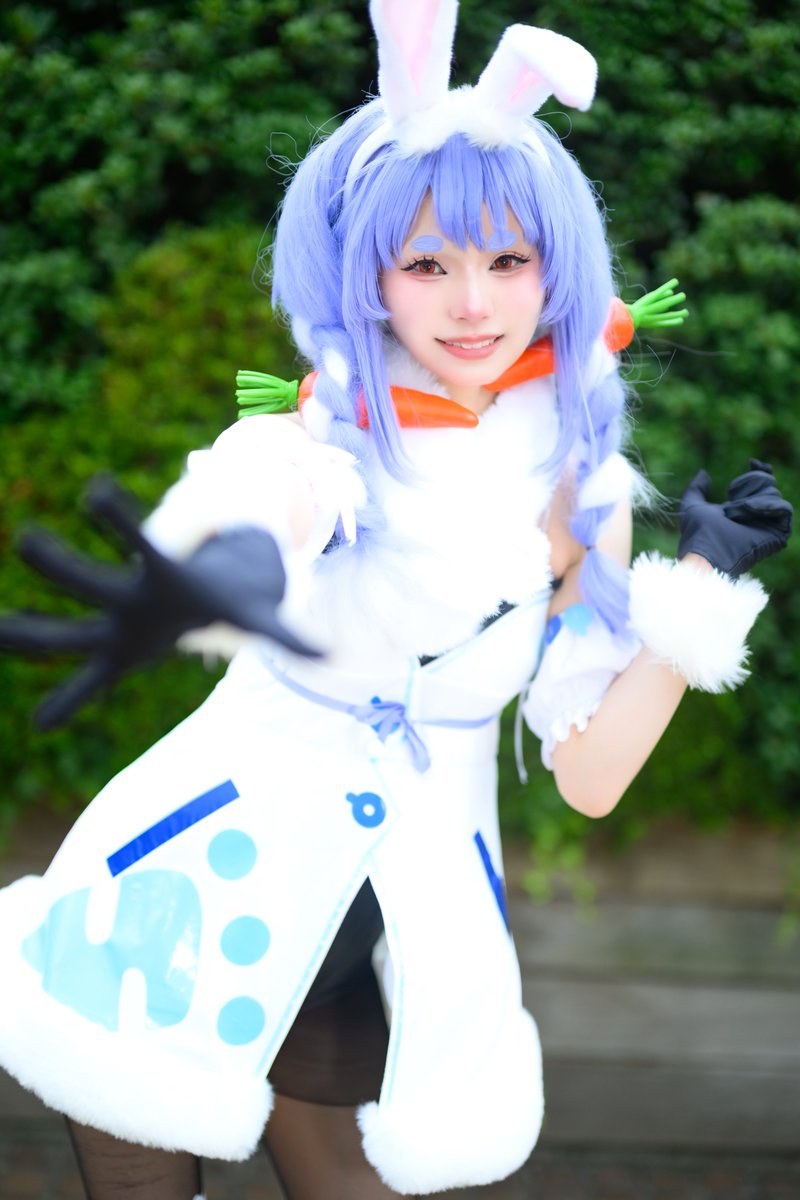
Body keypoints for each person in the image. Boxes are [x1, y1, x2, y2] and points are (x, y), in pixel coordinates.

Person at [0, 2, 791, 1198]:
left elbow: (588, 776)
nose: (473, 304)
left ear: (555, 269)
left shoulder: (583, 491)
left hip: (397, 939)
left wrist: (697, 597)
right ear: (365, 272)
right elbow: (267, 499)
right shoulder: (329, 433)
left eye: (507, 261)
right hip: (190, 899)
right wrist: (203, 575)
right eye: (426, 263)